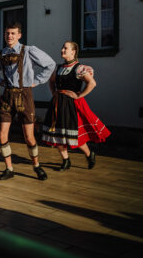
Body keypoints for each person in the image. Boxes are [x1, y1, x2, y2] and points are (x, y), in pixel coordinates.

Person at [0, 22, 55, 180]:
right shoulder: (0, 54)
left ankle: (36, 166)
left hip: (25, 94)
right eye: (7, 33)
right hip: (7, 95)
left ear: (19, 35)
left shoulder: (29, 50)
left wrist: (36, 81)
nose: (9, 36)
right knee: (2, 135)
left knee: (29, 136)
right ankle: (9, 168)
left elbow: (50, 64)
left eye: (13, 33)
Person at [41, 41, 110, 170]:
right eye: (62, 47)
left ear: (73, 52)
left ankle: (89, 155)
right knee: (57, 134)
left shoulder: (79, 68)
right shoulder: (59, 68)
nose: (62, 50)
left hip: (71, 104)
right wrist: (54, 93)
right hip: (57, 103)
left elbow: (92, 83)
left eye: (65, 48)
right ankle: (66, 160)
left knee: (74, 135)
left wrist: (79, 95)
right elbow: (51, 81)